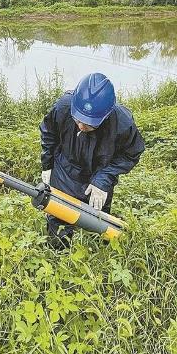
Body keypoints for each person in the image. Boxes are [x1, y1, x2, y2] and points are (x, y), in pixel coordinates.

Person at [40, 72, 144, 249]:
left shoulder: (122, 123)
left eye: (89, 124)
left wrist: (104, 179)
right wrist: (47, 165)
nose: (81, 126)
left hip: (98, 177)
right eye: (78, 119)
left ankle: (98, 255)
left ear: (106, 116)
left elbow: (131, 154)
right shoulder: (63, 107)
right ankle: (59, 252)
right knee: (59, 221)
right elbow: (49, 134)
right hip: (65, 171)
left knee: (99, 222)